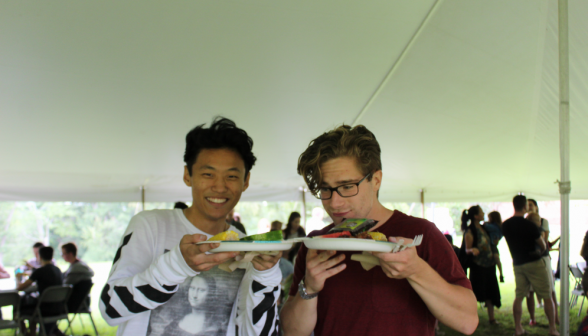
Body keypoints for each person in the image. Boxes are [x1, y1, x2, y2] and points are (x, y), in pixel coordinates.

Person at [280, 124, 478, 336]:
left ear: (376, 180)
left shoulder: (420, 234)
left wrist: (415, 270)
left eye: (347, 186)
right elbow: (292, 332)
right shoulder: (316, 243)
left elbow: (467, 321)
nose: (334, 203)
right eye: (325, 189)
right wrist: (308, 288)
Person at [100, 117, 281, 336]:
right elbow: (110, 309)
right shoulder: (150, 226)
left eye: (232, 176)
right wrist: (177, 265)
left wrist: (266, 277)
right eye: (208, 174)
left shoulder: (245, 247)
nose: (220, 186)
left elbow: (256, 332)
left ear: (246, 181)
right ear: (188, 175)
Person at [502, 195, 559, 336]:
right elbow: (543, 244)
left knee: (519, 296)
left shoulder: (506, 224)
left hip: (517, 264)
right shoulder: (529, 225)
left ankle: (518, 329)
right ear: (525, 207)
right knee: (546, 295)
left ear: (513, 205)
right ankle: (552, 329)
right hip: (534, 263)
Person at [462, 205, 501, 325]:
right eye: (481, 212)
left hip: (489, 265)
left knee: (491, 292)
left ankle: (492, 318)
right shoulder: (470, 231)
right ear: (476, 216)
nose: (484, 214)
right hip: (478, 266)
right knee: (475, 293)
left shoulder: (485, 228)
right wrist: (472, 250)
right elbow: (466, 249)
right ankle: (471, 319)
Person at [17, 246, 64, 336]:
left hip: (43, 310)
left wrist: (18, 278)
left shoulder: (39, 271)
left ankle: (27, 333)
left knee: (19, 309)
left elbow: (20, 288)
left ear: (39, 257)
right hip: (58, 308)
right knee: (33, 306)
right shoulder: (58, 270)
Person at [526, 198, 559, 325]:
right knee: (530, 291)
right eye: (527, 205)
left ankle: (555, 318)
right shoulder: (524, 223)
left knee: (550, 289)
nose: (528, 207)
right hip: (530, 259)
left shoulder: (543, 222)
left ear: (536, 207)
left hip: (542, 257)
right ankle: (532, 318)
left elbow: (544, 241)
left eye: (531, 205)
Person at [485, 211, 504, 283]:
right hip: (492, 244)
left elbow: (487, 227)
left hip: (491, 244)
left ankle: (501, 273)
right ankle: (501, 273)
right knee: (497, 258)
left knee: (496, 257)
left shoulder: (492, 226)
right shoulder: (500, 226)